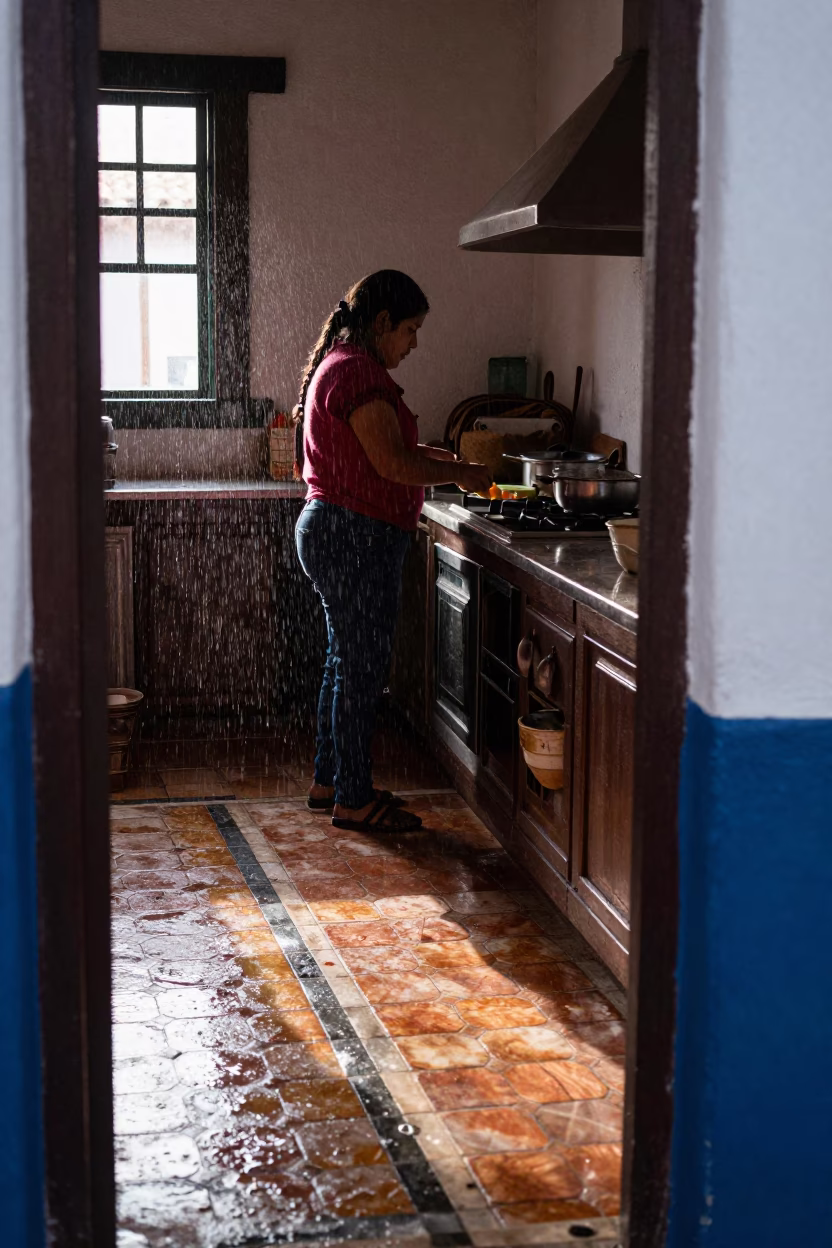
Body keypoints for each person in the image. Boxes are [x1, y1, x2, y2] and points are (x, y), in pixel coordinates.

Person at [294, 270, 492, 832]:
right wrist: (468, 476)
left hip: (337, 530)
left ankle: (331, 780)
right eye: (410, 330)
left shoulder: (344, 364)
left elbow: (385, 448)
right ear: (381, 324)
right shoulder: (359, 372)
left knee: (344, 662)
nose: (414, 342)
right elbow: (393, 465)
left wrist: (448, 464)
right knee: (359, 669)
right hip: (354, 535)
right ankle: (352, 799)